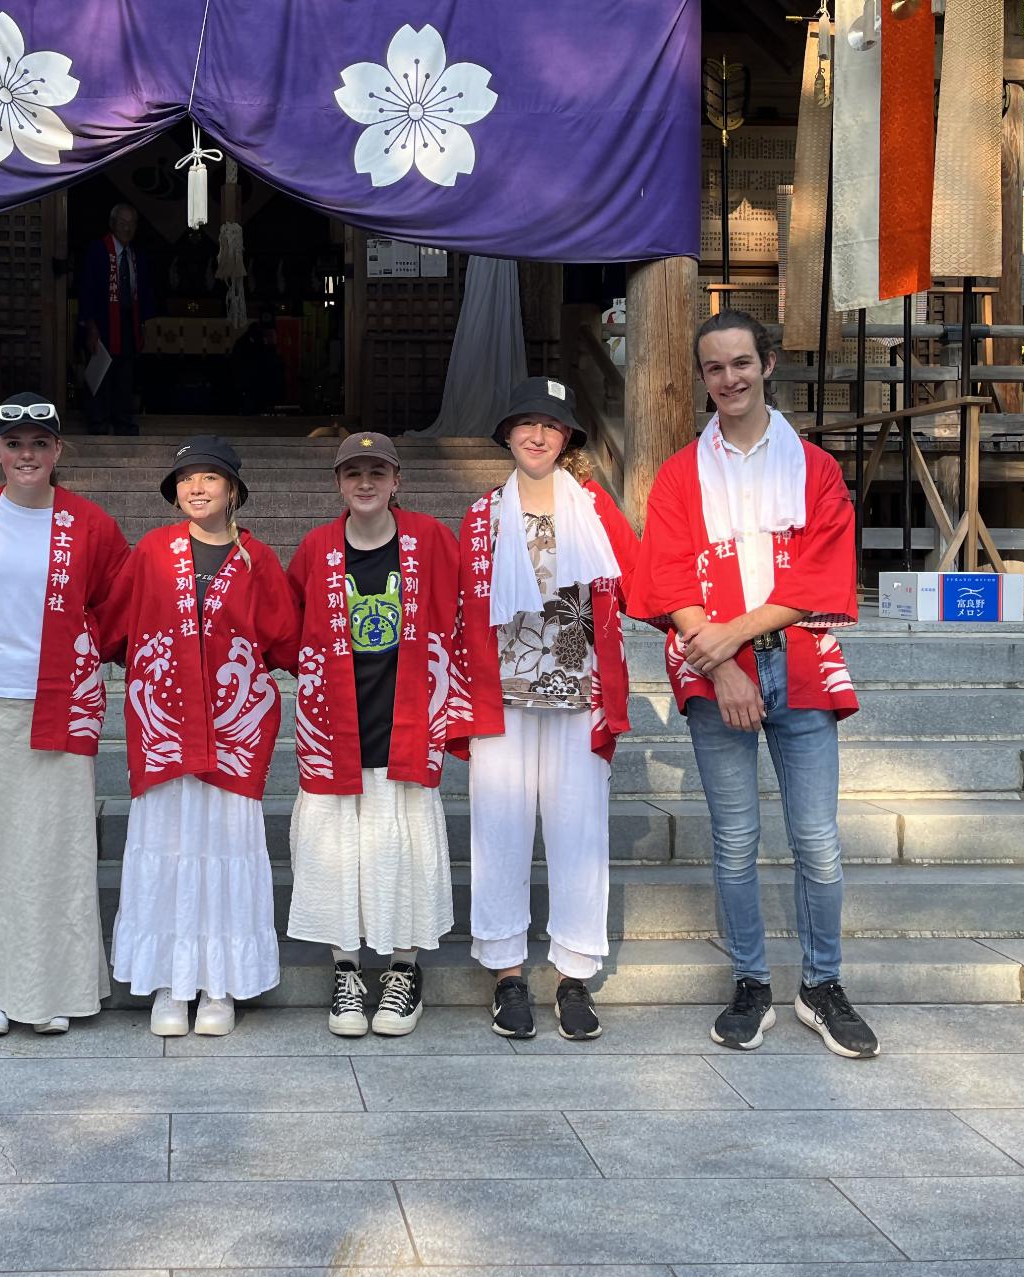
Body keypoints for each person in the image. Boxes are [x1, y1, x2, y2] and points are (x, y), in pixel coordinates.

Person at [631, 310, 875, 1059]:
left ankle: (822, 984)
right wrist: (727, 664)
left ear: (768, 363)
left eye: (741, 362)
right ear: (702, 377)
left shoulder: (815, 467)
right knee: (735, 841)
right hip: (715, 671)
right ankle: (750, 980)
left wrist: (734, 639)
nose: (729, 379)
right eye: (714, 368)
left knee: (818, 841)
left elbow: (820, 575)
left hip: (796, 657)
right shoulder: (680, 472)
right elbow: (668, 576)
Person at [0, 394, 129, 1036]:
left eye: (40, 444)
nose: (27, 455)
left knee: (54, 847)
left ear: (58, 451)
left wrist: (92, 654)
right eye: (14, 444)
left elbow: (120, 604)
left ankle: (53, 988)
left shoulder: (90, 524)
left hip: (57, 704)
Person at [447, 377, 638, 1042]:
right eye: (525, 424)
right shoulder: (480, 516)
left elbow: (638, 582)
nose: (536, 435)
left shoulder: (595, 509)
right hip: (500, 696)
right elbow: (456, 610)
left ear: (567, 439)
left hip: (577, 696)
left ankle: (574, 974)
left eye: (550, 426)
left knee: (579, 834)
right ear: (507, 435)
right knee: (498, 831)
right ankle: (505, 973)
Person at [109, 436, 298, 1037]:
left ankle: (220, 983)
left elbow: (286, 639)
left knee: (225, 847)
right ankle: (169, 979)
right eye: (186, 478)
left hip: (232, 728)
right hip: (165, 723)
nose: (197, 487)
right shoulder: (150, 552)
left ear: (233, 490)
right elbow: (114, 626)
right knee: (165, 845)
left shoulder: (258, 560)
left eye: (210, 478)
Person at [284, 432, 459, 1038]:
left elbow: (462, 610)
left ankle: (404, 971)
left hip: (406, 718)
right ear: (338, 484)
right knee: (334, 849)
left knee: (404, 844)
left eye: (376, 472)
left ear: (396, 481)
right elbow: (286, 624)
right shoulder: (315, 549)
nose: (365, 483)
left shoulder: (431, 541)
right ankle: (347, 973)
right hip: (337, 724)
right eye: (353, 472)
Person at [77, 203, 150, 435]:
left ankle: (123, 421)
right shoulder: (98, 250)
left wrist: (142, 325)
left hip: (128, 320)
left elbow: (141, 292)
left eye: (132, 224)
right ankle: (98, 421)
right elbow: (87, 289)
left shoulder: (135, 255)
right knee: (101, 373)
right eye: (122, 222)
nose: (127, 228)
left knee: (125, 374)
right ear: (112, 224)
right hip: (103, 321)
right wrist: (90, 326)